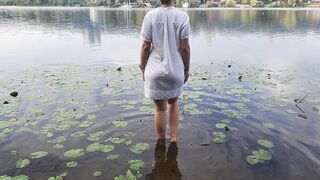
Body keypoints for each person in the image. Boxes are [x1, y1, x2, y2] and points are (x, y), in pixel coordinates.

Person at [139, 0, 191, 142]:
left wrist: (143, 67)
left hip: (154, 70)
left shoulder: (150, 16)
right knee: (173, 103)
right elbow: (185, 48)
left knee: (160, 109)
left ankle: (161, 140)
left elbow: (145, 46)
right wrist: (186, 69)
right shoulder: (182, 17)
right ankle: (173, 138)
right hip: (175, 70)